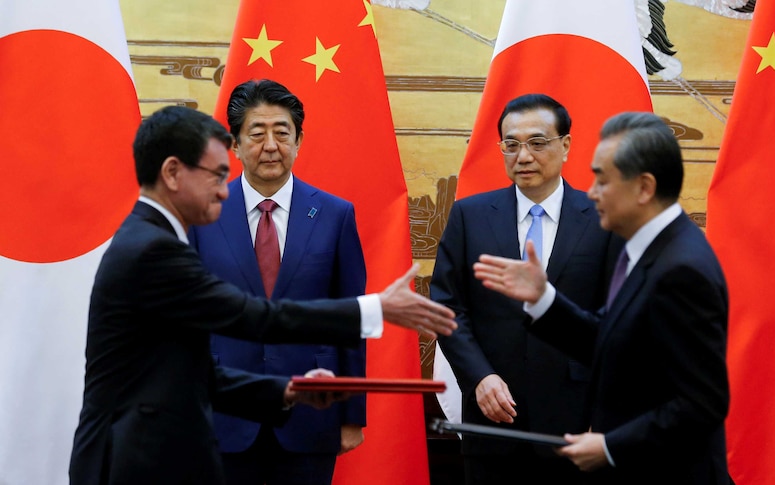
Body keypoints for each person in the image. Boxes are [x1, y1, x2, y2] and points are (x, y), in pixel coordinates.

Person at [68, 105, 456, 485]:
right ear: (172, 172)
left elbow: (188, 369)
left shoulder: (149, 236)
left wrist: (286, 391)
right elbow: (255, 316)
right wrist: (375, 308)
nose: (224, 192)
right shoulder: (155, 248)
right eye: (216, 176)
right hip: (130, 458)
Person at [474, 111, 730, 484]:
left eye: (603, 180)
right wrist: (544, 299)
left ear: (644, 188)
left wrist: (612, 446)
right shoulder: (643, 249)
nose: (591, 192)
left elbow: (702, 405)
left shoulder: (682, 269)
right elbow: (612, 345)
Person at [430, 93, 619, 485]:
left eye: (537, 142)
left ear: (565, 146)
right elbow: (447, 304)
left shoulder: (604, 221)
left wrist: (604, 421)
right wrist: (479, 377)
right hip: (493, 420)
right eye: (511, 145)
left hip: (576, 424)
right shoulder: (470, 215)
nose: (524, 156)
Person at [187, 79, 367, 485]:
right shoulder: (201, 214)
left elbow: (350, 320)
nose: (271, 145)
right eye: (256, 133)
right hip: (223, 415)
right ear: (233, 144)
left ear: (299, 140)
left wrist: (352, 414)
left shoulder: (335, 215)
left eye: (282, 133)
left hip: (311, 415)